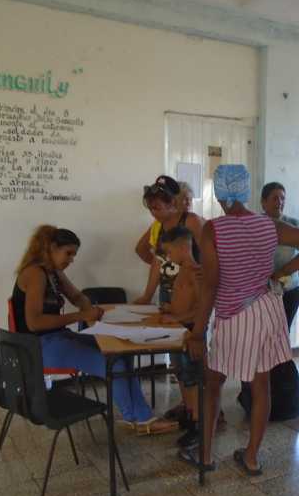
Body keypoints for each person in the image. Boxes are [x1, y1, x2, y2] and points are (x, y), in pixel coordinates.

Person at [181, 164, 299, 475]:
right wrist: (282, 272)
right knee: (261, 386)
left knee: (214, 383)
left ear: (220, 193)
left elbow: (211, 284)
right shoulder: (269, 225)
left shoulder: (213, 229)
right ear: (245, 192)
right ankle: (251, 457)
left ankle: (205, 457)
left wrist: (196, 332)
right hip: (267, 308)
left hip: (235, 315)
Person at [11, 225, 178, 434]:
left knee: (121, 353)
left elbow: (77, 297)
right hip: (37, 347)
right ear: (51, 248)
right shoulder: (35, 273)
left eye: (74, 255)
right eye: (68, 253)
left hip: (56, 338)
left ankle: (139, 415)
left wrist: (89, 308)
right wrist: (81, 315)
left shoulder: (53, 272)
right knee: (113, 363)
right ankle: (139, 419)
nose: (71, 260)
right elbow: (34, 322)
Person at [144, 226, 202, 448]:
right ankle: (189, 414)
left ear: (183, 247)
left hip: (189, 332)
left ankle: (198, 425)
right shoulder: (182, 270)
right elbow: (183, 300)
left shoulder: (195, 271)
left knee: (192, 378)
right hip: (178, 329)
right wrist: (170, 310)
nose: (168, 258)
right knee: (181, 373)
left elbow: (201, 308)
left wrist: (180, 318)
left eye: (169, 252)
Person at [133, 175, 203, 305]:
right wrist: (147, 297)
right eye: (150, 209)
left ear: (172, 203)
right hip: (168, 291)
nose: (153, 213)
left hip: (190, 291)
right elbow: (157, 261)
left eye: (157, 208)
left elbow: (207, 255)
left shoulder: (191, 221)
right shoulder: (160, 225)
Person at [261, 182, 299, 327]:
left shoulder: (295, 225)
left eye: (282, 198)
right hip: (261, 293)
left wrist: (285, 271)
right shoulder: (254, 225)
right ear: (263, 202)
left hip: (290, 292)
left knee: (282, 334)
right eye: (275, 198)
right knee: (262, 333)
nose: (279, 202)